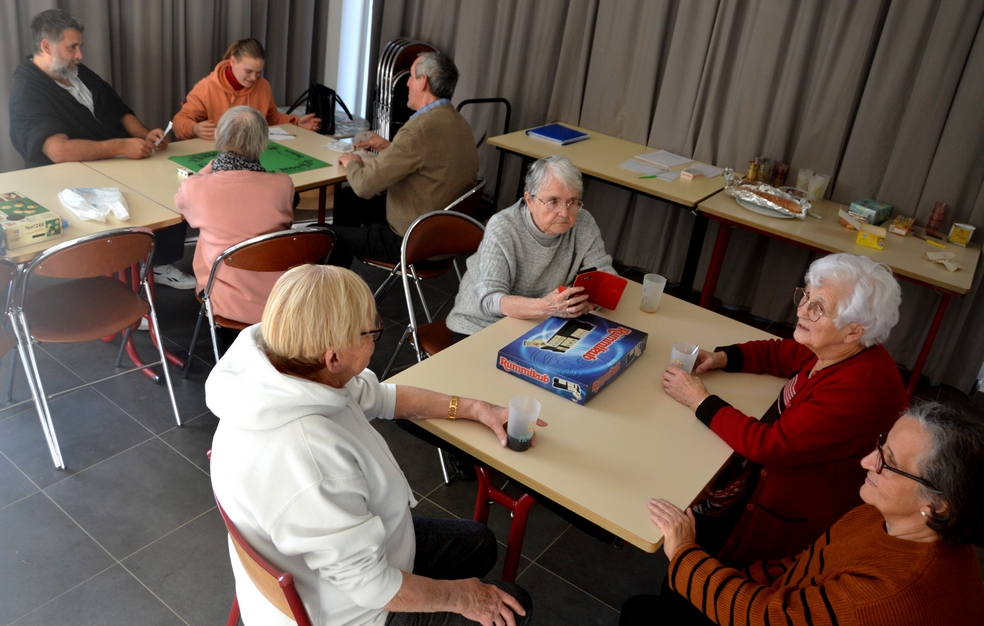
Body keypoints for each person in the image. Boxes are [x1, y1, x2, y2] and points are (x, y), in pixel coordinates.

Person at [208, 265, 538, 626]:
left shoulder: (286, 371)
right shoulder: (310, 460)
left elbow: (384, 397)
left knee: (480, 543)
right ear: (332, 358)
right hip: (358, 612)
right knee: (513, 604)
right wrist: (465, 597)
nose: (378, 333)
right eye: (372, 330)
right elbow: (372, 587)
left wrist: (474, 408)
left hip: (344, 564)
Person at [620, 401, 984, 625]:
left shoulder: (886, 598)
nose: (866, 462)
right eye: (880, 446)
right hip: (780, 600)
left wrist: (685, 553)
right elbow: (807, 565)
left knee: (644, 611)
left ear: (937, 502)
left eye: (888, 463)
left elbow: (763, 617)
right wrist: (735, 575)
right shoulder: (892, 515)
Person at [661, 253, 907, 564]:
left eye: (818, 307)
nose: (802, 310)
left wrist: (699, 400)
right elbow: (784, 352)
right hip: (763, 475)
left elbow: (770, 446)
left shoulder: (855, 390)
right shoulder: (838, 346)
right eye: (806, 295)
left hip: (787, 512)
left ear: (854, 330)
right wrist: (723, 358)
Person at [9, 9, 193, 289]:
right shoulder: (28, 90)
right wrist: (122, 146)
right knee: (128, 215)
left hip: (116, 164)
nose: (80, 55)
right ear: (47, 46)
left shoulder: (78, 72)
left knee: (174, 189)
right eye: (72, 47)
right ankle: (118, 286)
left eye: (79, 46)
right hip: (69, 180)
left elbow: (120, 111)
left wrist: (145, 135)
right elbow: (58, 151)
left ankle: (158, 264)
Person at [331, 51, 479, 269]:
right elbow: (429, 161)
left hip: (413, 242)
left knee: (323, 233)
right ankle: (339, 281)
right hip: (446, 238)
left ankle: (329, 291)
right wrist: (387, 147)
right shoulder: (459, 123)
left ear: (423, 81)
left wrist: (352, 162)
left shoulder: (418, 129)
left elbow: (364, 186)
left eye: (410, 76)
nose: (407, 83)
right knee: (347, 200)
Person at [445, 155, 615, 339]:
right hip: (482, 326)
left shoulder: (583, 222)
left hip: (543, 325)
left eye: (572, 201)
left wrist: (592, 302)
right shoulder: (503, 227)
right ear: (529, 200)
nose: (564, 212)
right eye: (553, 201)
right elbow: (489, 300)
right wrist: (546, 306)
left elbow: (606, 275)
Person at [174, 106, 295, 325]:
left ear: (219, 136)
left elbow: (182, 205)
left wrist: (209, 169)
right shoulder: (283, 184)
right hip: (281, 301)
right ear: (262, 142)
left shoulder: (196, 188)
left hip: (225, 301)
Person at [172, 38, 319, 140]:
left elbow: (271, 119)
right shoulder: (206, 87)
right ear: (232, 61)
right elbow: (179, 122)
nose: (254, 78)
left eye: (258, 72)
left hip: (253, 153)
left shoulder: (263, 85)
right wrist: (194, 129)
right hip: (216, 155)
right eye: (248, 71)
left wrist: (297, 123)